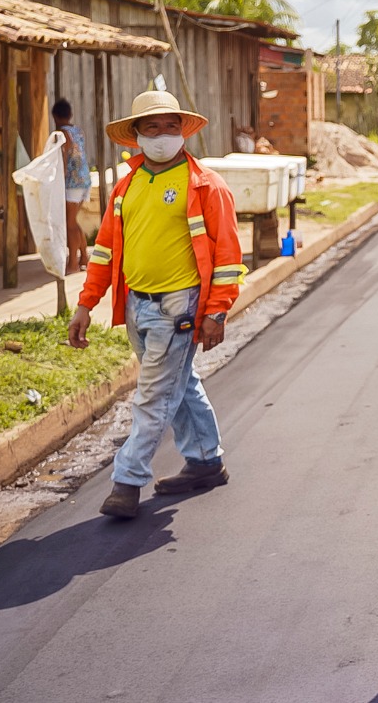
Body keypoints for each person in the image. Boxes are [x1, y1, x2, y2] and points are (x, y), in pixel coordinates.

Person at [68, 90, 247, 520]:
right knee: (179, 385)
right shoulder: (126, 187)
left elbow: (227, 256)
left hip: (180, 308)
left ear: (182, 132)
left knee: (152, 396)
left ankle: (127, 481)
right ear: (136, 136)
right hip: (136, 306)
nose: (163, 134)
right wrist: (85, 304)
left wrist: (216, 311)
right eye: (153, 127)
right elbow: (105, 250)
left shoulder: (205, 185)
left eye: (171, 126)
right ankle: (205, 461)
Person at [53, 98, 91, 273]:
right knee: (73, 221)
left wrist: (58, 178)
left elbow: (64, 157)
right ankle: (83, 257)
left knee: (69, 224)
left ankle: (73, 263)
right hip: (84, 179)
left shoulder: (61, 133)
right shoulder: (78, 130)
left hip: (72, 182)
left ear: (55, 117)